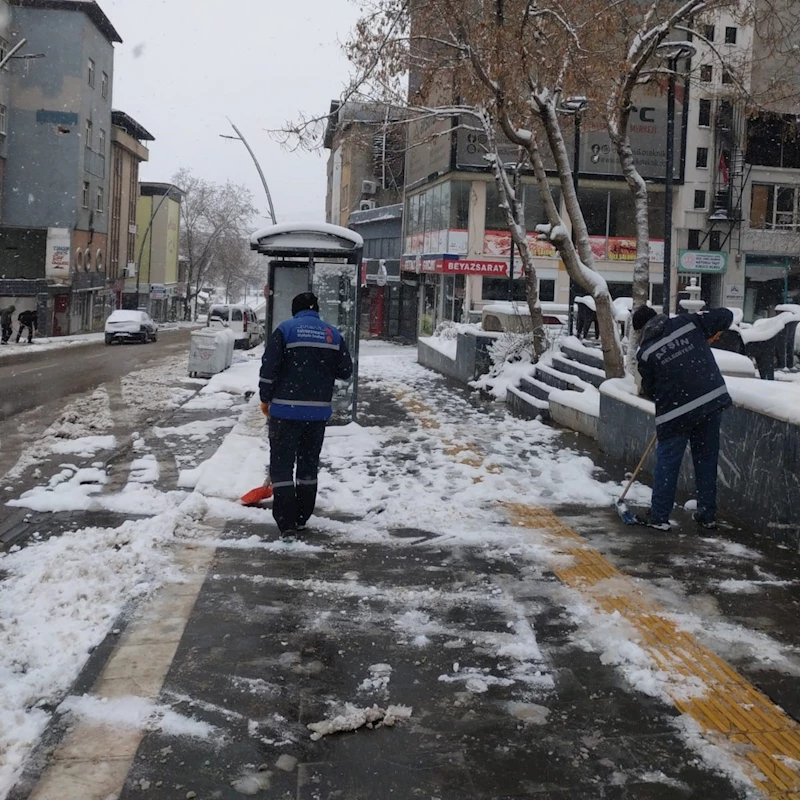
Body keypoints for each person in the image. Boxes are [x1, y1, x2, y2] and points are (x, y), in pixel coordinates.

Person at [259, 292, 353, 536]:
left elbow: (269, 369)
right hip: (317, 415)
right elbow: (345, 371)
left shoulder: (286, 330)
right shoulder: (332, 334)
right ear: (317, 310)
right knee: (308, 466)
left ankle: (286, 521)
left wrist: (265, 398)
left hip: (284, 412)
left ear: (294, 310)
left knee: (282, 466)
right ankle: (302, 516)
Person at [633, 304, 734, 531]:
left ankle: (659, 516)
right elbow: (726, 315)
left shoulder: (646, 353)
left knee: (668, 463)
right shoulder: (688, 322)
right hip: (709, 401)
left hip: (676, 413)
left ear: (641, 330)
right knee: (706, 459)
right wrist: (709, 332)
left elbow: (649, 390)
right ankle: (707, 514)